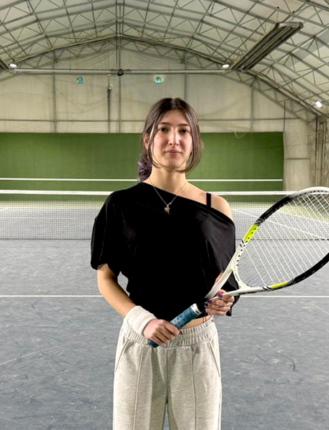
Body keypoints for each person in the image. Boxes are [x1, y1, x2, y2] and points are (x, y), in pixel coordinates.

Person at [91, 98, 239, 430]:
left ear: (194, 140)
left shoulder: (218, 208)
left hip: (198, 347)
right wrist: (142, 321)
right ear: (148, 139)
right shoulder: (120, 205)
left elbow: (226, 281)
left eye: (184, 131)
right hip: (140, 344)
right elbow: (106, 278)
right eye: (164, 129)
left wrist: (225, 301)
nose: (174, 139)